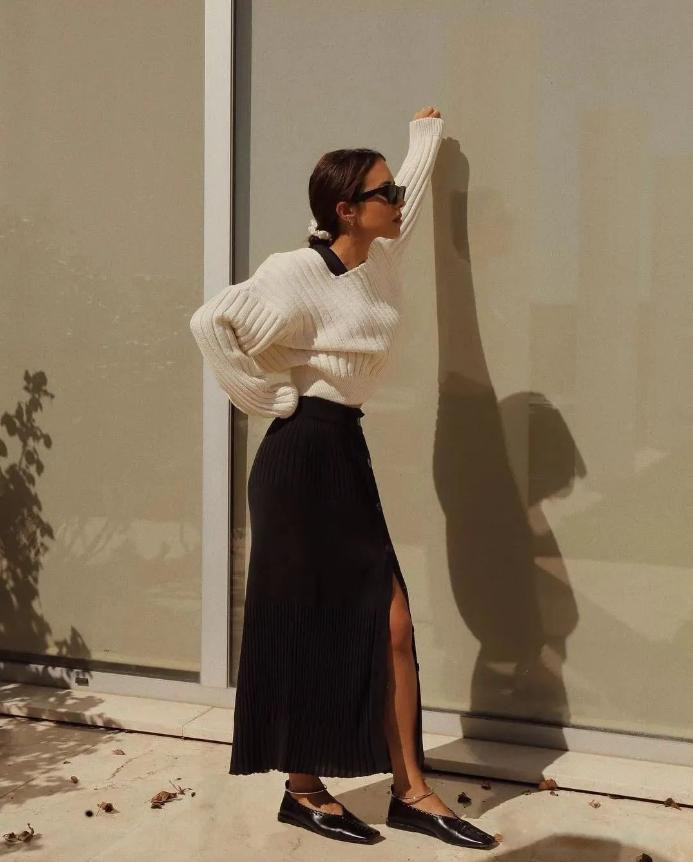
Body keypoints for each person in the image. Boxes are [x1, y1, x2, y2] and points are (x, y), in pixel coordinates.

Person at [189, 107, 497, 849]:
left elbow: (409, 199)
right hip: (300, 455)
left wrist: (423, 140)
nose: (398, 202)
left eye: (394, 190)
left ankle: (411, 792)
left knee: (391, 624)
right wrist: (265, 396)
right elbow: (210, 323)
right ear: (346, 209)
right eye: (383, 193)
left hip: (341, 452)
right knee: (303, 623)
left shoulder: (378, 255)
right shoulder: (294, 272)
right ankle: (303, 790)